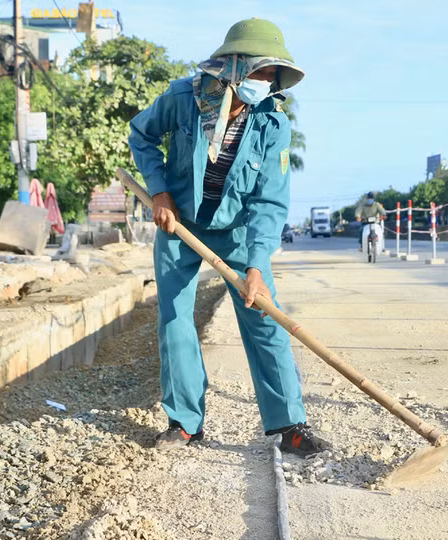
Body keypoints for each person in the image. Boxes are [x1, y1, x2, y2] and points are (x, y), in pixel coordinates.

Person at [128, 18, 330, 456]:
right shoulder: (183, 99)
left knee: (265, 319)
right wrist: (160, 192)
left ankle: (289, 425)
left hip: (238, 231)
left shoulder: (272, 124)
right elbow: (141, 133)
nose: (265, 82)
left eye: (271, 76)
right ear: (233, 65)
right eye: (259, 72)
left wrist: (257, 264)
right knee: (176, 321)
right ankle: (184, 424)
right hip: (179, 224)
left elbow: (270, 202)